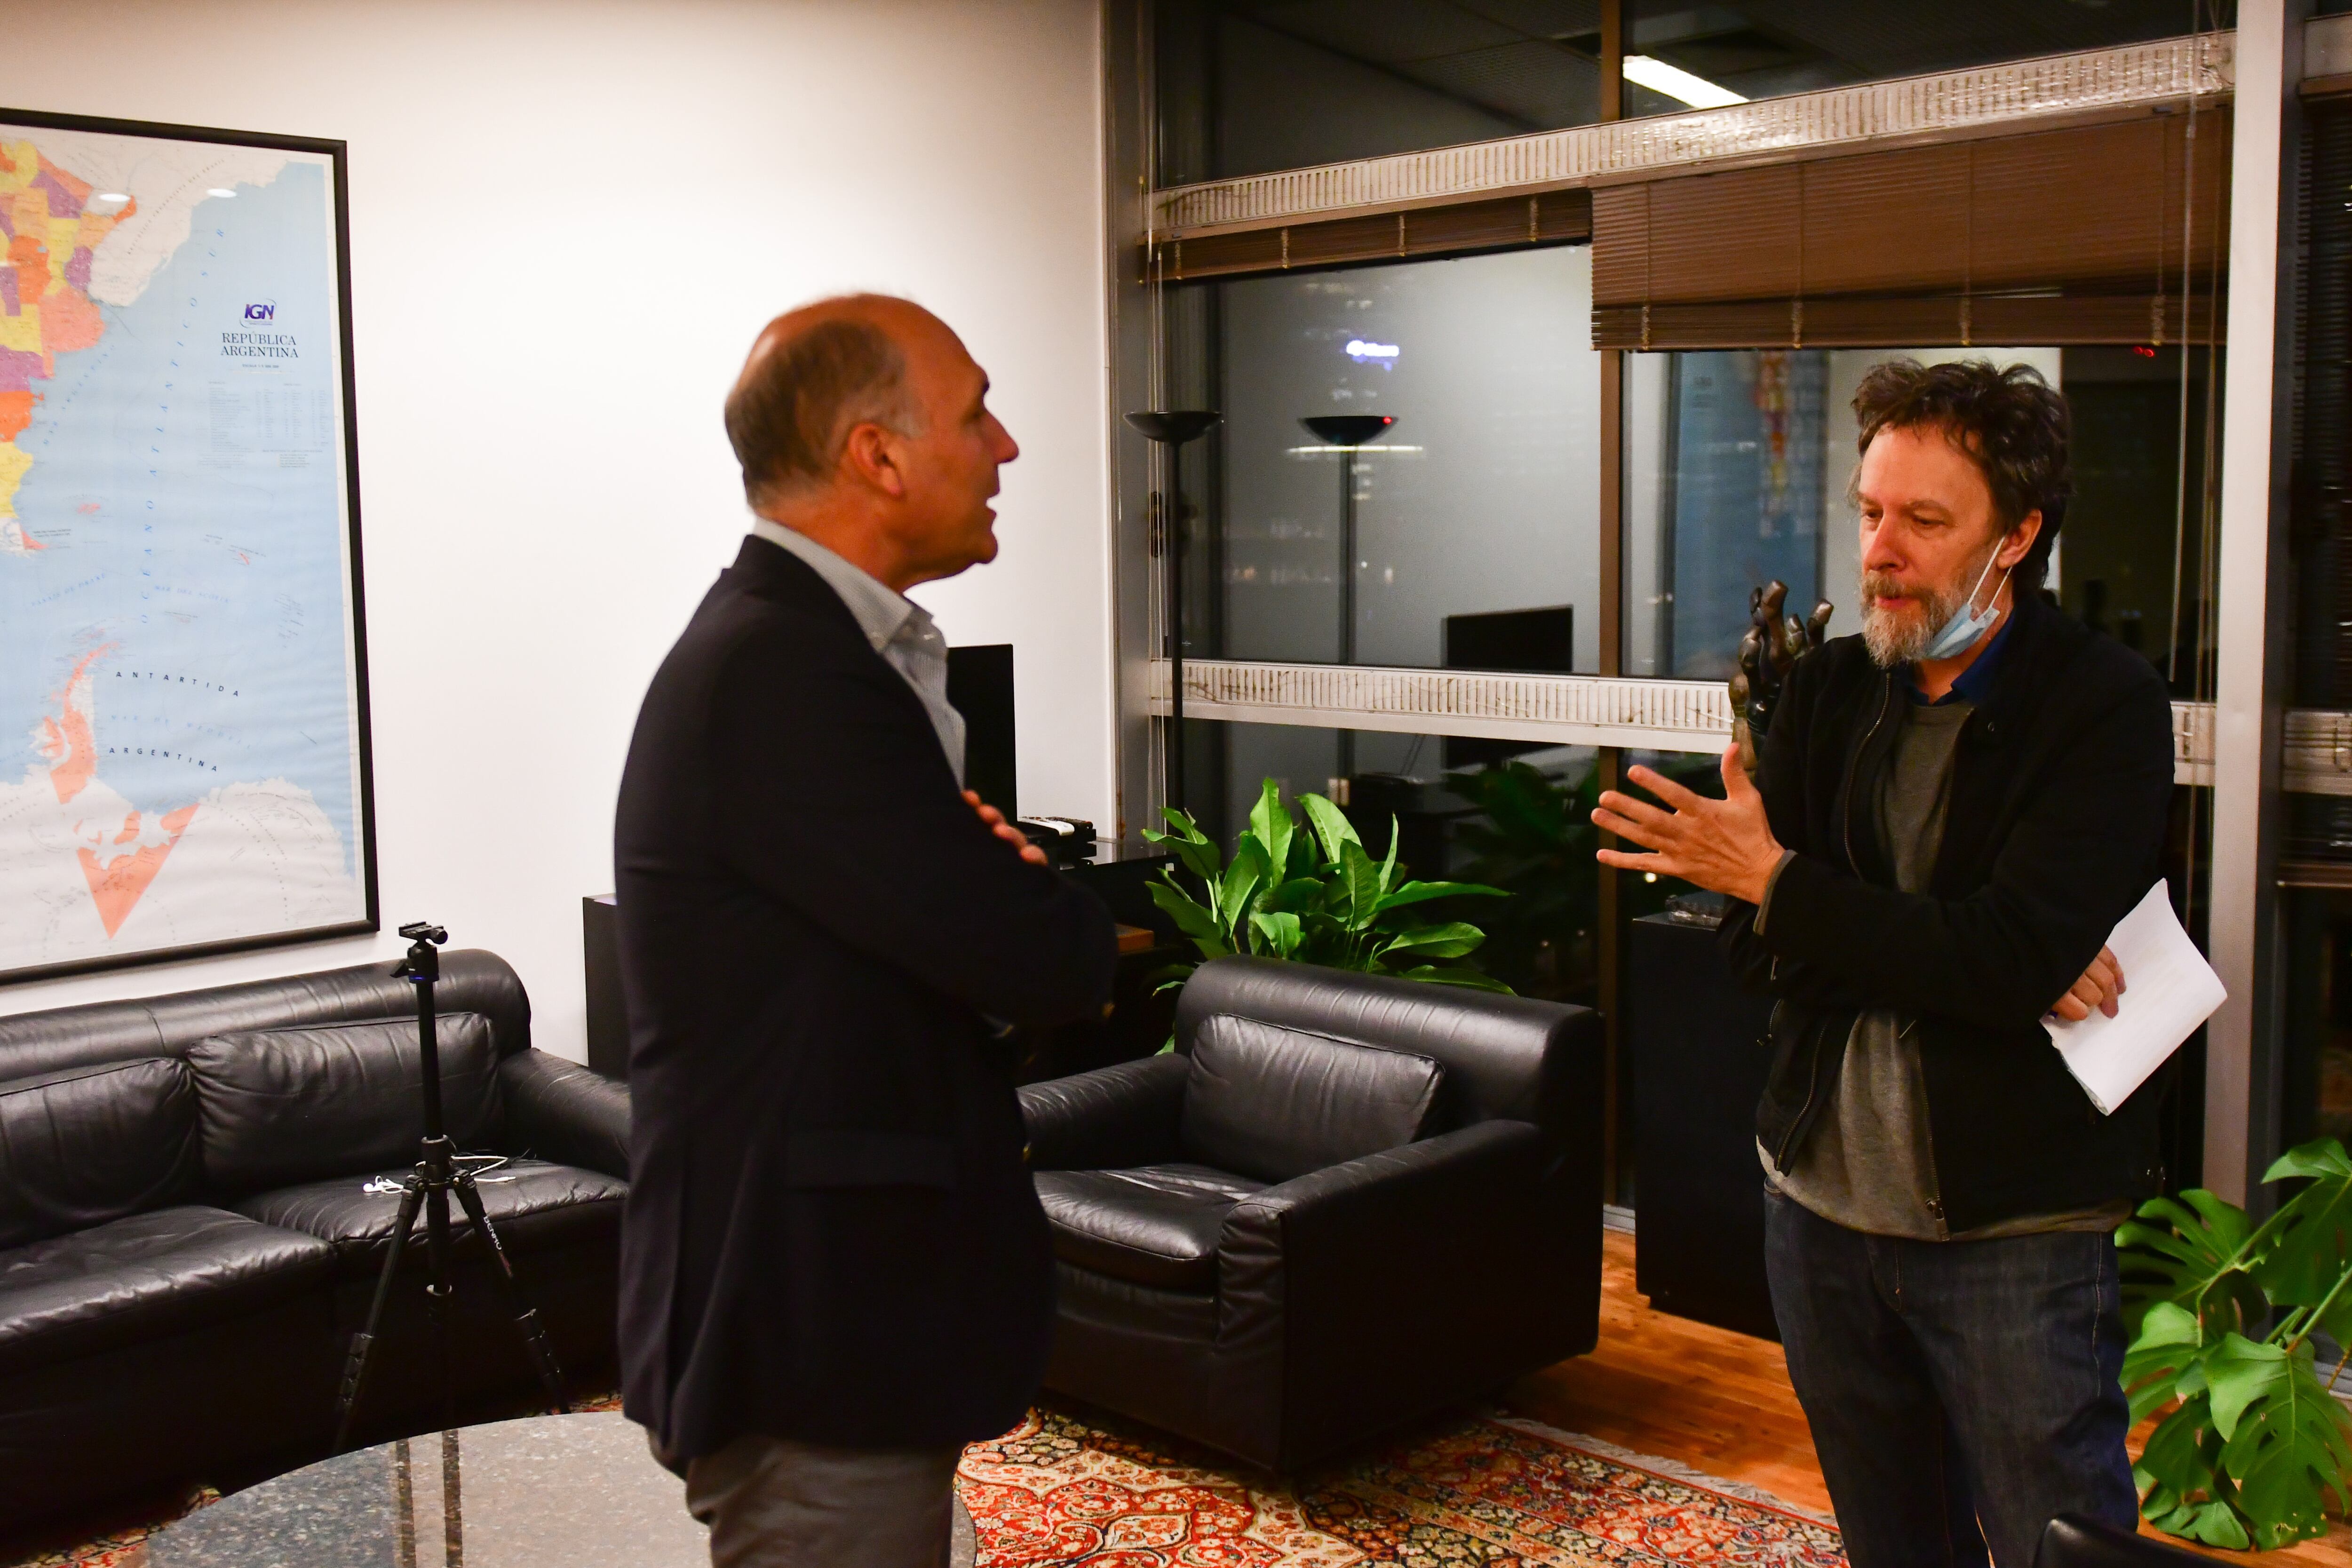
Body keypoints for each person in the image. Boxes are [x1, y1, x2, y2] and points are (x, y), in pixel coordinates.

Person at [1589, 359, 2174, 1566]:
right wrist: (1972, 951)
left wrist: (1791, 887)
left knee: (2053, 1540)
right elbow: (1764, 955)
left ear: (2016, 535)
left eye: (1923, 520)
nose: (1879, 551)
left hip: (2014, 1228)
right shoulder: (1828, 692)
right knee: (1892, 1542)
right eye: (1868, 512)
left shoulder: (2101, 704)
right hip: (1818, 1212)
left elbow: (1976, 948)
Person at [612, 293, 1118, 1567]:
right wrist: (1017, 893)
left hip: (841, 1317)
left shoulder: (815, 654)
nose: (1005, 448)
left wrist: (991, 885)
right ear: (876, 456)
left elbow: (952, 934)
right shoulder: (787, 677)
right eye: (976, 413)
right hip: (810, 1330)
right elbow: (1046, 955)